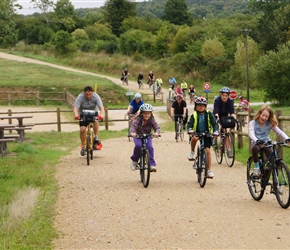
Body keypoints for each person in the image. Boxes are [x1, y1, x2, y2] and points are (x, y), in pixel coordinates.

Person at [249, 104, 290, 177]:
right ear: (259, 114)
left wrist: (287, 138)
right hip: (256, 143)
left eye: (266, 116)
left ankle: (271, 179)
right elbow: (251, 134)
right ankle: (257, 168)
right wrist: (257, 140)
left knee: (272, 160)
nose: (264, 118)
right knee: (255, 148)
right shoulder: (253, 123)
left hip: (266, 143)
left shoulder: (269, 123)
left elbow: (279, 132)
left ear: (269, 117)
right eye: (263, 115)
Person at [187, 97, 219, 178]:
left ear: (205, 106)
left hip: (207, 133)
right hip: (197, 132)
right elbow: (190, 124)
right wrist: (190, 129)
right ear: (195, 106)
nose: (201, 107)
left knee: (208, 150)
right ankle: (192, 151)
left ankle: (209, 170)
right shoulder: (194, 115)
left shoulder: (209, 114)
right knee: (194, 138)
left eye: (203, 105)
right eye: (199, 105)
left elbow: (214, 123)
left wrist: (215, 131)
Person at [73, 86, 105, 156]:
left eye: (90, 94)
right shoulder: (80, 97)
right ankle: (83, 146)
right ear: (84, 93)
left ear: (92, 93)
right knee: (82, 130)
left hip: (94, 114)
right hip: (83, 114)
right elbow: (76, 108)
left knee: (96, 121)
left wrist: (101, 115)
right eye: (86, 94)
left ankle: (96, 136)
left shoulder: (96, 96)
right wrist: (76, 115)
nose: (88, 96)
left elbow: (101, 107)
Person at [130, 103, 160, 172]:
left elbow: (157, 127)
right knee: (138, 146)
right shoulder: (138, 119)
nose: (147, 115)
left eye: (148, 113)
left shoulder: (151, 119)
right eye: (145, 113)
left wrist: (157, 133)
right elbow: (133, 126)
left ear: (151, 114)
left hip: (148, 136)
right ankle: (134, 161)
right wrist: (132, 133)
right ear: (142, 113)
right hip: (138, 136)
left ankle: (151, 164)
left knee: (150, 147)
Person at [213, 86, 236, 158]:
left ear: (228, 96)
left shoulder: (230, 101)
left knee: (226, 132)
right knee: (218, 128)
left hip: (225, 116)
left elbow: (232, 112)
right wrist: (217, 119)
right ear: (221, 95)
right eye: (223, 95)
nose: (224, 97)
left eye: (226, 95)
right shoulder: (217, 100)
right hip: (217, 115)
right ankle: (215, 140)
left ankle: (229, 150)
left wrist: (234, 119)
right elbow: (216, 111)